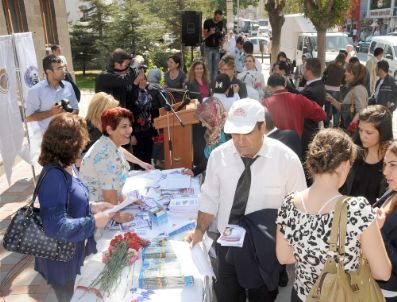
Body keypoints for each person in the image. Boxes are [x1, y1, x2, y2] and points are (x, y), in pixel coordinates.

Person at [187, 98, 306, 302]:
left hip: (265, 250)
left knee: (264, 297)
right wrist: (199, 230)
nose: (240, 141)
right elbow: (209, 198)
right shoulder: (219, 157)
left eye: (247, 133)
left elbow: (299, 209)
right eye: (234, 134)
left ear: (262, 127)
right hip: (227, 244)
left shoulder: (286, 160)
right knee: (227, 296)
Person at [276, 128, 391, 302]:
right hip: (343, 296)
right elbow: (382, 272)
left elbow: (284, 257)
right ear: (345, 165)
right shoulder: (357, 209)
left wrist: (312, 254)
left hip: (302, 295)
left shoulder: (289, 203)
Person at [35, 113, 114, 302]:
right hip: (61, 261)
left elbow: (71, 200)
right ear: (68, 144)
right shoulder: (54, 177)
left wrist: (93, 206)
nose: (84, 144)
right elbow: (56, 226)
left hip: (73, 252)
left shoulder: (68, 165)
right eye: (81, 140)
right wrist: (93, 222)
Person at [80, 107, 136, 223]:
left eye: (129, 125)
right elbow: (109, 194)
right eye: (124, 127)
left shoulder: (110, 145)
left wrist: (127, 200)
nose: (129, 130)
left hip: (106, 208)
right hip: (97, 215)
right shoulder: (105, 153)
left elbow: (115, 184)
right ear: (110, 130)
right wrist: (118, 217)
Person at [341, 105, 392, 205]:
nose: (363, 136)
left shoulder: (391, 159)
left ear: (383, 132)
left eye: (369, 132)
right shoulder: (351, 153)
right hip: (348, 213)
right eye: (360, 130)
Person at [26, 55, 79, 133]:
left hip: (69, 135)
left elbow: (76, 109)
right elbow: (29, 117)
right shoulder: (35, 91)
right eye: (59, 68)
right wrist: (51, 112)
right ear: (48, 71)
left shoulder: (68, 85)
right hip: (48, 140)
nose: (64, 71)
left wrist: (68, 116)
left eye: (63, 67)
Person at [263, 74, 326, 138]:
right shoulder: (299, 99)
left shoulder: (266, 103)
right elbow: (321, 114)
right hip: (295, 143)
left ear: (269, 87)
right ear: (285, 84)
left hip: (274, 142)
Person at [184, 97, 228, 176]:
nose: (203, 124)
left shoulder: (223, 133)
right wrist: (194, 171)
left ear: (212, 118)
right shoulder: (214, 129)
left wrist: (195, 171)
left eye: (205, 121)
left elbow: (213, 157)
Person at [378, 140, 397, 301]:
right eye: (385, 164)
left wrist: (379, 232)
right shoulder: (391, 190)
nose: (385, 171)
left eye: (393, 165)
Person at [326, 62, 368, 131]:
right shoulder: (355, 88)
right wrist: (331, 100)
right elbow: (344, 109)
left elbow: (361, 111)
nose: (345, 73)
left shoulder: (359, 89)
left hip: (352, 132)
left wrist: (352, 125)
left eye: (347, 71)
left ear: (353, 74)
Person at [300, 58, 326, 154]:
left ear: (309, 71)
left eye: (304, 68)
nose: (302, 70)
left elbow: (300, 99)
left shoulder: (312, 90)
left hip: (307, 131)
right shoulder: (316, 84)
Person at [322, 53, 346, 127]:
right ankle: (335, 125)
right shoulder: (343, 69)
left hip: (327, 89)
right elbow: (344, 81)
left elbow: (324, 73)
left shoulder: (330, 66)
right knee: (336, 108)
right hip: (336, 89)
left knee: (327, 108)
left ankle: (326, 124)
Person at [203, 9, 225, 82]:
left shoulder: (221, 23)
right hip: (208, 48)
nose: (219, 19)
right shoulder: (207, 22)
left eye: (220, 17)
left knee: (216, 69)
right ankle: (208, 88)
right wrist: (210, 32)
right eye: (218, 17)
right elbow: (204, 36)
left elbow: (221, 34)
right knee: (209, 69)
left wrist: (221, 40)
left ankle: (214, 87)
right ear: (214, 15)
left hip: (216, 48)